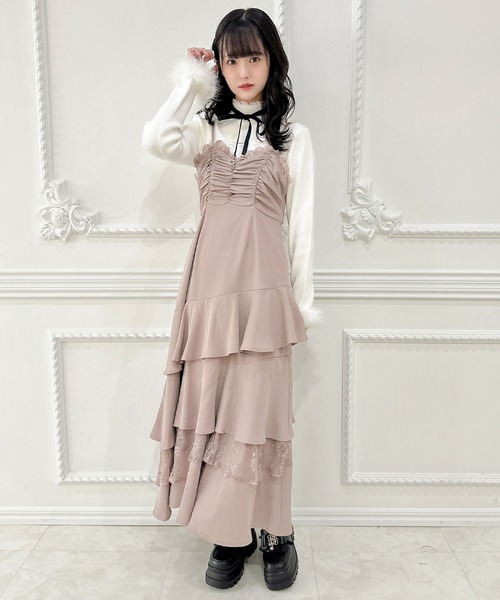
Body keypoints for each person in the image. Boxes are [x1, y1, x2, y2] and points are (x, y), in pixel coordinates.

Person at [143, 7, 318, 591]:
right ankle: (229, 531)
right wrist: (190, 83)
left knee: (260, 414)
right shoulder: (205, 130)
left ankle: (274, 530)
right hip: (210, 290)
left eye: (254, 57)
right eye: (231, 59)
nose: (243, 71)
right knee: (216, 409)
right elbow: (156, 138)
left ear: (273, 62)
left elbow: (302, 228)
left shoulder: (294, 138)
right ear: (220, 65)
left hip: (265, 295)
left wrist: (302, 306)